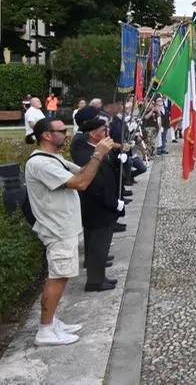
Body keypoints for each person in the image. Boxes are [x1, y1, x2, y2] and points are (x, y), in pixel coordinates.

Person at [24, 117, 115, 345]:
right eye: (61, 130)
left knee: (61, 276)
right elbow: (81, 182)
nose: (67, 133)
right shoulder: (40, 164)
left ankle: (52, 320)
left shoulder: (54, 158)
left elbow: (84, 172)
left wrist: (101, 153)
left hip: (64, 226)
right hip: (56, 228)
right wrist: (97, 154)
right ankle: (45, 330)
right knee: (58, 276)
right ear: (46, 135)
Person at [70, 108, 123, 291]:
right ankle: (95, 281)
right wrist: (113, 203)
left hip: (99, 205)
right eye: (104, 130)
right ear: (94, 134)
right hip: (97, 206)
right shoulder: (89, 152)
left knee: (99, 245)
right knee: (98, 245)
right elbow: (96, 184)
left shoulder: (96, 148)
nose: (107, 133)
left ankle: (99, 277)